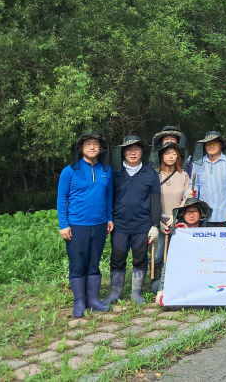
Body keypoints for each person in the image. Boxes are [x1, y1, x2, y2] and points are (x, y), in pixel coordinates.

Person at [57, 131, 113, 317]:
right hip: (77, 225)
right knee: (78, 263)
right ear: (80, 148)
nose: (92, 147)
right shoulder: (70, 170)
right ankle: (80, 302)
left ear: (100, 148)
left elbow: (108, 196)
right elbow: (61, 198)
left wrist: (108, 218)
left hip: (99, 224)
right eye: (88, 144)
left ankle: (94, 300)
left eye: (95, 144)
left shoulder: (106, 170)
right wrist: (64, 224)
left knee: (94, 263)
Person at [105, 136, 161, 306]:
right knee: (117, 257)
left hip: (142, 225)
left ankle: (136, 293)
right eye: (129, 150)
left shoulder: (150, 174)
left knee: (140, 258)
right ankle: (115, 293)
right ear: (123, 152)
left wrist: (155, 225)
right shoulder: (115, 174)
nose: (133, 153)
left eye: (136, 149)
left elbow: (156, 202)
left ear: (142, 152)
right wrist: (108, 219)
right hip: (119, 225)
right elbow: (108, 199)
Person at [155, 198, 212, 306]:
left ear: (200, 214)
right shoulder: (178, 234)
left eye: (194, 212)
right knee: (155, 286)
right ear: (183, 215)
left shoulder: (207, 233)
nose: (191, 215)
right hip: (181, 276)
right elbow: (169, 263)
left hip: (201, 274)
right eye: (188, 212)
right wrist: (161, 289)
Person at [150, 141, 190, 293]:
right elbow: (151, 198)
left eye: (174, 153)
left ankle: (176, 283)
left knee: (177, 253)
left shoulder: (183, 175)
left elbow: (186, 198)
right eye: (167, 153)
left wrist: (176, 215)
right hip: (159, 219)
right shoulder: (155, 175)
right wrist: (159, 219)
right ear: (162, 156)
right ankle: (156, 284)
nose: (171, 156)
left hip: (177, 220)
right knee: (158, 254)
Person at [188, 131, 226, 227]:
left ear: (221, 145)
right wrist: (190, 192)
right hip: (203, 215)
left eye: (215, 143)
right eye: (208, 143)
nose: (211, 145)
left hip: (225, 215)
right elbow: (194, 184)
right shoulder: (198, 163)